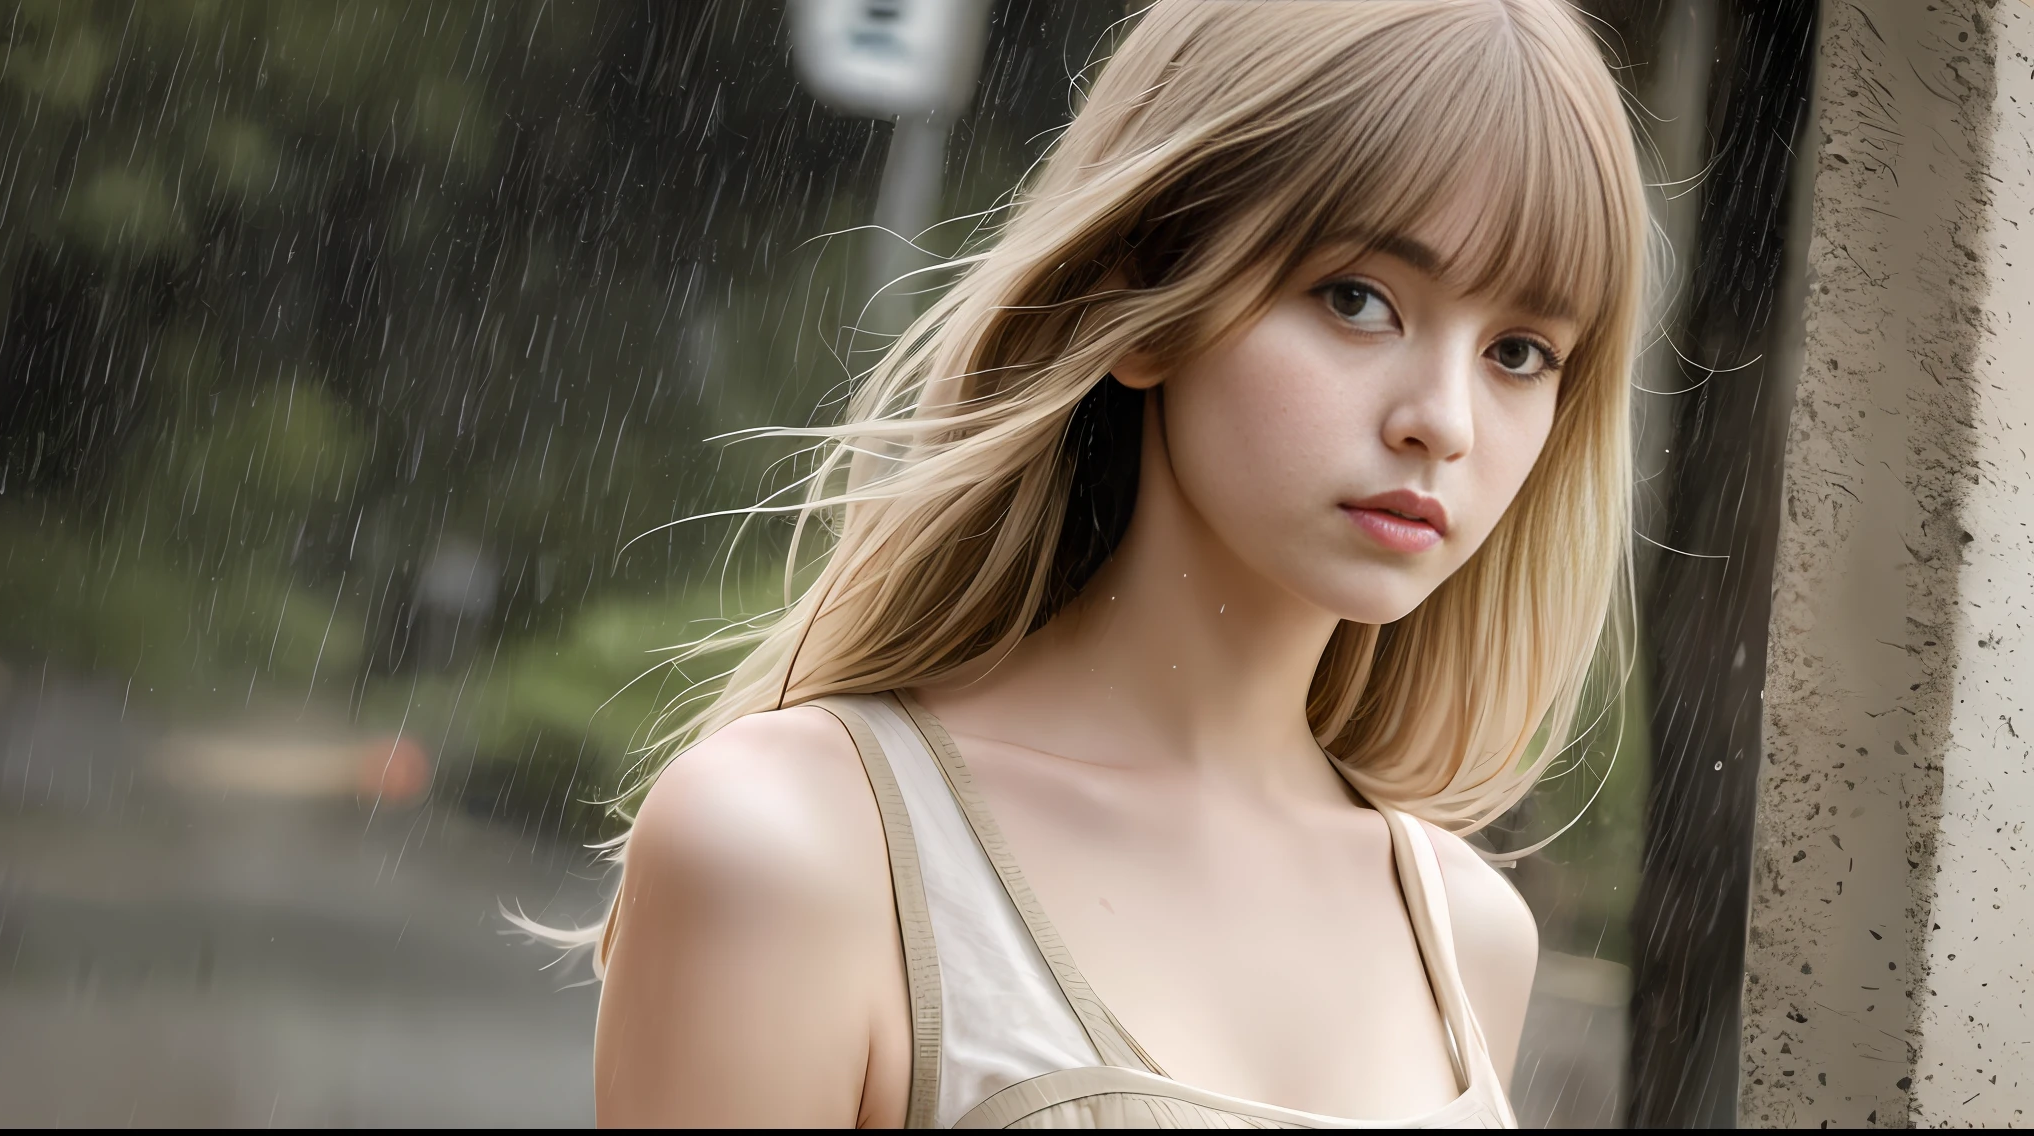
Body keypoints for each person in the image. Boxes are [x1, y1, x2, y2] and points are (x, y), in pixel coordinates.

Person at [589, 0, 1644, 1126]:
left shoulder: (1468, 935)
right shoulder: (790, 843)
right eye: (1355, 298)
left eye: (1518, 352)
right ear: (1139, 304)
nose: (1443, 419)